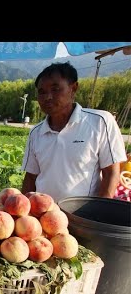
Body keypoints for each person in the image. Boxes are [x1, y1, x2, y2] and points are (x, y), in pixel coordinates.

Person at [21, 62, 126, 203]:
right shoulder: (36, 132)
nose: (48, 97)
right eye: (42, 92)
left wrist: (98, 214)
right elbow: (31, 177)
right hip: (44, 215)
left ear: (73, 88)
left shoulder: (100, 122)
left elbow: (111, 173)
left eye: (55, 89)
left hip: (83, 217)